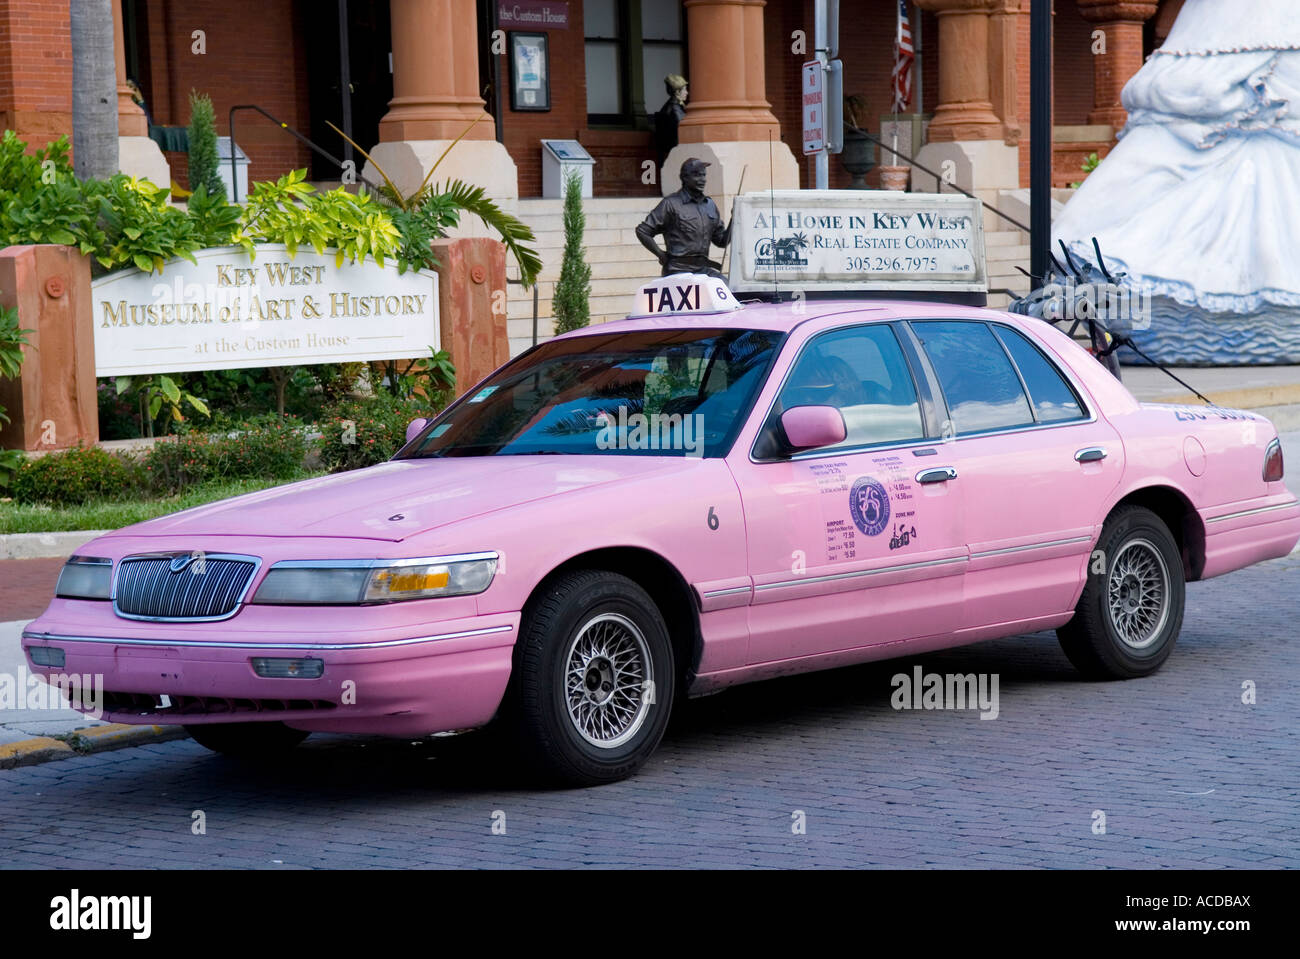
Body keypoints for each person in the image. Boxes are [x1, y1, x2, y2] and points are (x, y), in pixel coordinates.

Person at [635, 157, 731, 278]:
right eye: (697, 175)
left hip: (703, 270)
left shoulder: (709, 205)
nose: (702, 180)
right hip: (678, 270)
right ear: (685, 178)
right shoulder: (670, 204)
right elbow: (643, 231)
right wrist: (661, 255)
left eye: (703, 175)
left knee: (729, 291)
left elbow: (722, 241)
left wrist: (735, 220)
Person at [653, 74, 688, 172]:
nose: (686, 92)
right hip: (676, 152)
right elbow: (682, 129)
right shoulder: (674, 109)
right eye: (684, 90)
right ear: (677, 92)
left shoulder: (675, 107)